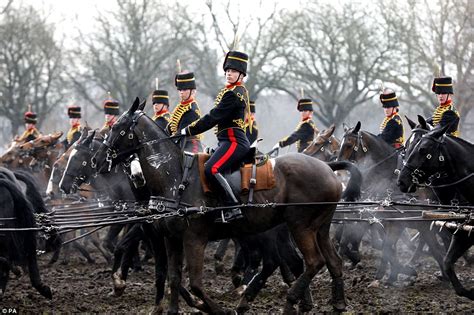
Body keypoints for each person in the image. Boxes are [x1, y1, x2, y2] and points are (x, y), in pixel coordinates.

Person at [182, 50, 251, 222]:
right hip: (225, 141)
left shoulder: (234, 94)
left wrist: (188, 130)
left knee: (211, 169)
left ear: (241, 74)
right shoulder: (231, 91)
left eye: (233, 71)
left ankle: (233, 208)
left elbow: (213, 117)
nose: (229, 73)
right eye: (227, 70)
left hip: (234, 141)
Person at [167, 71, 203, 153]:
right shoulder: (180, 107)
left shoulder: (191, 109)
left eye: (184, 89)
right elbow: (170, 128)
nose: (181, 92)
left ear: (192, 91)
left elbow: (181, 133)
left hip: (191, 147)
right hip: (181, 144)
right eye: (179, 90)